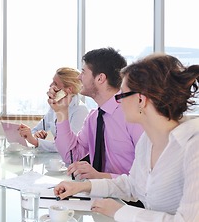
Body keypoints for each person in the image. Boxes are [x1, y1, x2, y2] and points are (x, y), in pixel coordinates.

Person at [54, 53, 199, 222]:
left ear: (141, 100)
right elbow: (133, 185)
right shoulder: (148, 142)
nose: (118, 102)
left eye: (122, 95)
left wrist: (122, 212)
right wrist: (84, 186)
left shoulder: (193, 147)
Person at [50, 47, 144, 179]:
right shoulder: (93, 118)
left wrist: (101, 177)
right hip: (100, 194)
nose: (79, 77)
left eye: (83, 72)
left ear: (100, 78)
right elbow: (71, 155)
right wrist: (61, 112)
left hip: (131, 198)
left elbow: (148, 177)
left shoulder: (133, 115)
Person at [18, 67, 89, 152]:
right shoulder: (55, 106)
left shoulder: (80, 111)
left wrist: (36, 142)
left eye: (55, 83)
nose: (50, 86)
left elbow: (68, 147)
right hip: (58, 160)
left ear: (68, 90)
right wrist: (34, 135)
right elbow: (36, 130)